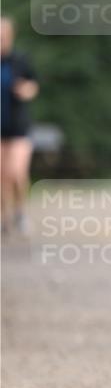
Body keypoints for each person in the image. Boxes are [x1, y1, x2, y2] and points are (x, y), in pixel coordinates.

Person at [1, 17, 39, 236]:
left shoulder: (20, 60)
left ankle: (21, 212)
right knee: (1, 175)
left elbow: (33, 84)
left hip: (18, 127)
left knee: (17, 173)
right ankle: (4, 217)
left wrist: (27, 90)